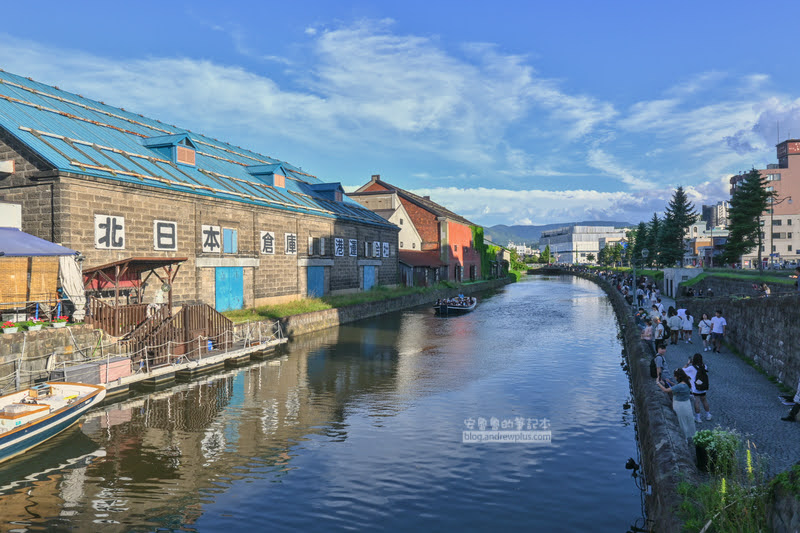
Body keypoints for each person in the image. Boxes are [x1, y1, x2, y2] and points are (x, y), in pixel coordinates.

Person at [657, 368, 696, 442]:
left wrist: (658, 383)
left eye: (675, 376)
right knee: (688, 419)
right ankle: (691, 436)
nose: (674, 377)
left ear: (678, 376)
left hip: (679, 405)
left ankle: (684, 438)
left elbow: (665, 390)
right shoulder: (687, 383)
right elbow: (677, 387)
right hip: (687, 404)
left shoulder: (680, 386)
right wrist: (671, 383)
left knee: (681, 421)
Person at [683, 353, 711, 422]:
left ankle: (698, 418)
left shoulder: (691, 368)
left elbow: (683, 370)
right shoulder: (705, 366)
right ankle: (708, 415)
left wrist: (688, 363)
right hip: (703, 386)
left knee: (697, 402)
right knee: (704, 400)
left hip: (695, 388)